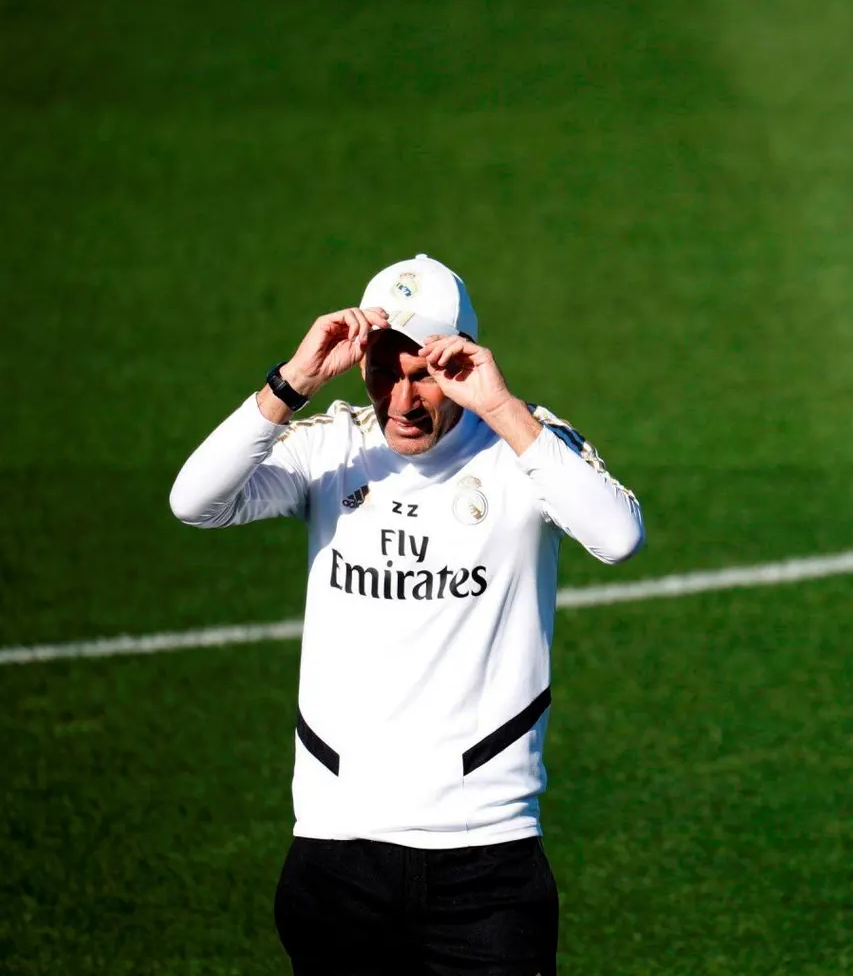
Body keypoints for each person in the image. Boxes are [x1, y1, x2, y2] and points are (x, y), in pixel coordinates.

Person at [169, 254, 643, 975]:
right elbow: (194, 500)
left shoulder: (522, 452)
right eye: (385, 369)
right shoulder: (334, 448)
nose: (403, 397)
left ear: (463, 359)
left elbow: (618, 535)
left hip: (485, 857)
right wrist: (290, 383)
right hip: (337, 852)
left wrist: (502, 407)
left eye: (426, 371)